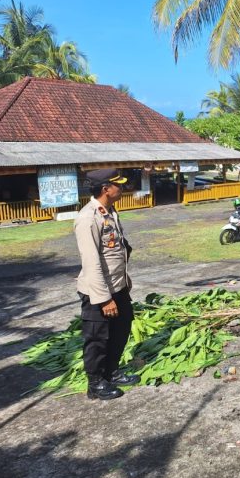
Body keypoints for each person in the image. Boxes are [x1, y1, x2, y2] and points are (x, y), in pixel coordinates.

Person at [74, 168, 139, 400]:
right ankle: (95, 383)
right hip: (98, 292)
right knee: (98, 338)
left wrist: (123, 284)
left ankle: (111, 372)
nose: (121, 188)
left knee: (121, 329)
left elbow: (116, 251)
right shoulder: (88, 218)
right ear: (106, 189)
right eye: (118, 185)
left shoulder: (110, 212)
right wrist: (104, 299)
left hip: (118, 287)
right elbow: (91, 262)